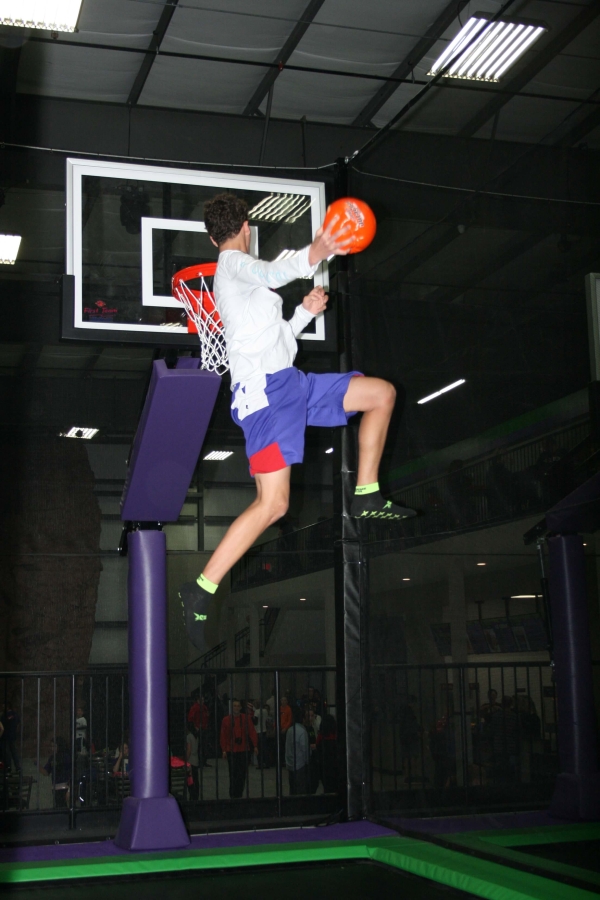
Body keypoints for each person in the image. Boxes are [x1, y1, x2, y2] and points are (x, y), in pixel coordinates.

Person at [181, 193, 416, 645]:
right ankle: (200, 589)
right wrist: (317, 251)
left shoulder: (245, 284)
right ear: (246, 227)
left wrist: (303, 314)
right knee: (274, 505)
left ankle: (366, 493)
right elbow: (271, 271)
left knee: (381, 394)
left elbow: (279, 342)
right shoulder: (232, 265)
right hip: (266, 397)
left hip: (291, 383)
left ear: (213, 234)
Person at [220, 698, 258, 799]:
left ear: (241, 707)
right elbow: (223, 735)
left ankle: (239, 794)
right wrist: (224, 749)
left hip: (243, 750)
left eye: (238, 706)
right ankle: (233, 795)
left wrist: (255, 745)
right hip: (231, 750)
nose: (236, 707)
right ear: (231, 707)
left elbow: (252, 732)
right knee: (233, 774)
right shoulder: (226, 720)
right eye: (234, 706)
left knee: (242, 775)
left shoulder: (246, 718)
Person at [285, 705, 310, 795]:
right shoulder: (302, 731)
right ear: (303, 719)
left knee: (292, 789)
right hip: (300, 764)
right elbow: (305, 749)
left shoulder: (290, 730)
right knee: (301, 789)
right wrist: (307, 761)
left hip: (290, 764)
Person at [41, 737, 71, 808]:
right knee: (58, 807)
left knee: (63, 808)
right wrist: (38, 765)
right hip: (55, 788)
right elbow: (46, 772)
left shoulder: (66, 757)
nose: (52, 748)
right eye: (51, 746)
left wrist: (69, 790)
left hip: (64, 787)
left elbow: (71, 773)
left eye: (54, 746)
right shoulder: (52, 758)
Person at [0, 701, 21, 773]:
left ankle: (8, 767)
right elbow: (18, 724)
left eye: (3, 706)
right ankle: (18, 767)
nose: (2, 707)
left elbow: (1, 727)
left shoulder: (3, 716)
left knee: (7, 752)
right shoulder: (15, 714)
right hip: (13, 736)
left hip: (5, 736)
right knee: (14, 752)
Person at [254, 701, 270, 769]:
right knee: (265, 749)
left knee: (259, 749)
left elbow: (255, 721)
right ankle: (267, 763)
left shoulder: (257, 711)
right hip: (264, 730)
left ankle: (260, 764)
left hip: (258, 731)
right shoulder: (265, 711)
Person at [186, 724, 200, 801]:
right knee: (196, 779)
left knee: (190, 780)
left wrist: (185, 759)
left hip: (190, 760)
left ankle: (192, 795)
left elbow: (189, 750)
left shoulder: (189, 736)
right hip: (196, 759)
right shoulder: (195, 736)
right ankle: (196, 795)